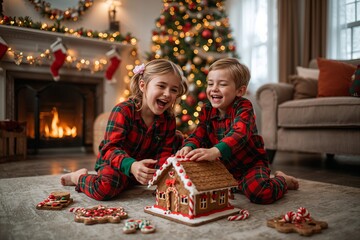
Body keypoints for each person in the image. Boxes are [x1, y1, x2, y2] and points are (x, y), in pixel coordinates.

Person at [61, 59, 188, 201]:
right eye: (161, 86)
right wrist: (132, 166)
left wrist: (162, 176)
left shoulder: (168, 118)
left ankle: (132, 181)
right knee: (104, 189)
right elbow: (110, 149)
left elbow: (165, 152)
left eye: (174, 90)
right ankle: (78, 177)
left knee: (179, 139)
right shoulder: (123, 111)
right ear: (143, 86)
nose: (167, 94)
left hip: (144, 166)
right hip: (117, 162)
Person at [176, 58, 299, 204]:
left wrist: (215, 151)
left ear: (240, 90)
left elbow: (239, 133)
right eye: (210, 84)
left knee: (260, 192)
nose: (214, 88)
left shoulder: (244, 107)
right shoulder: (206, 110)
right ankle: (238, 185)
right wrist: (188, 146)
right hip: (222, 167)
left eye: (222, 84)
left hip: (249, 165)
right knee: (193, 184)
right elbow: (199, 133)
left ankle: (282, 180)